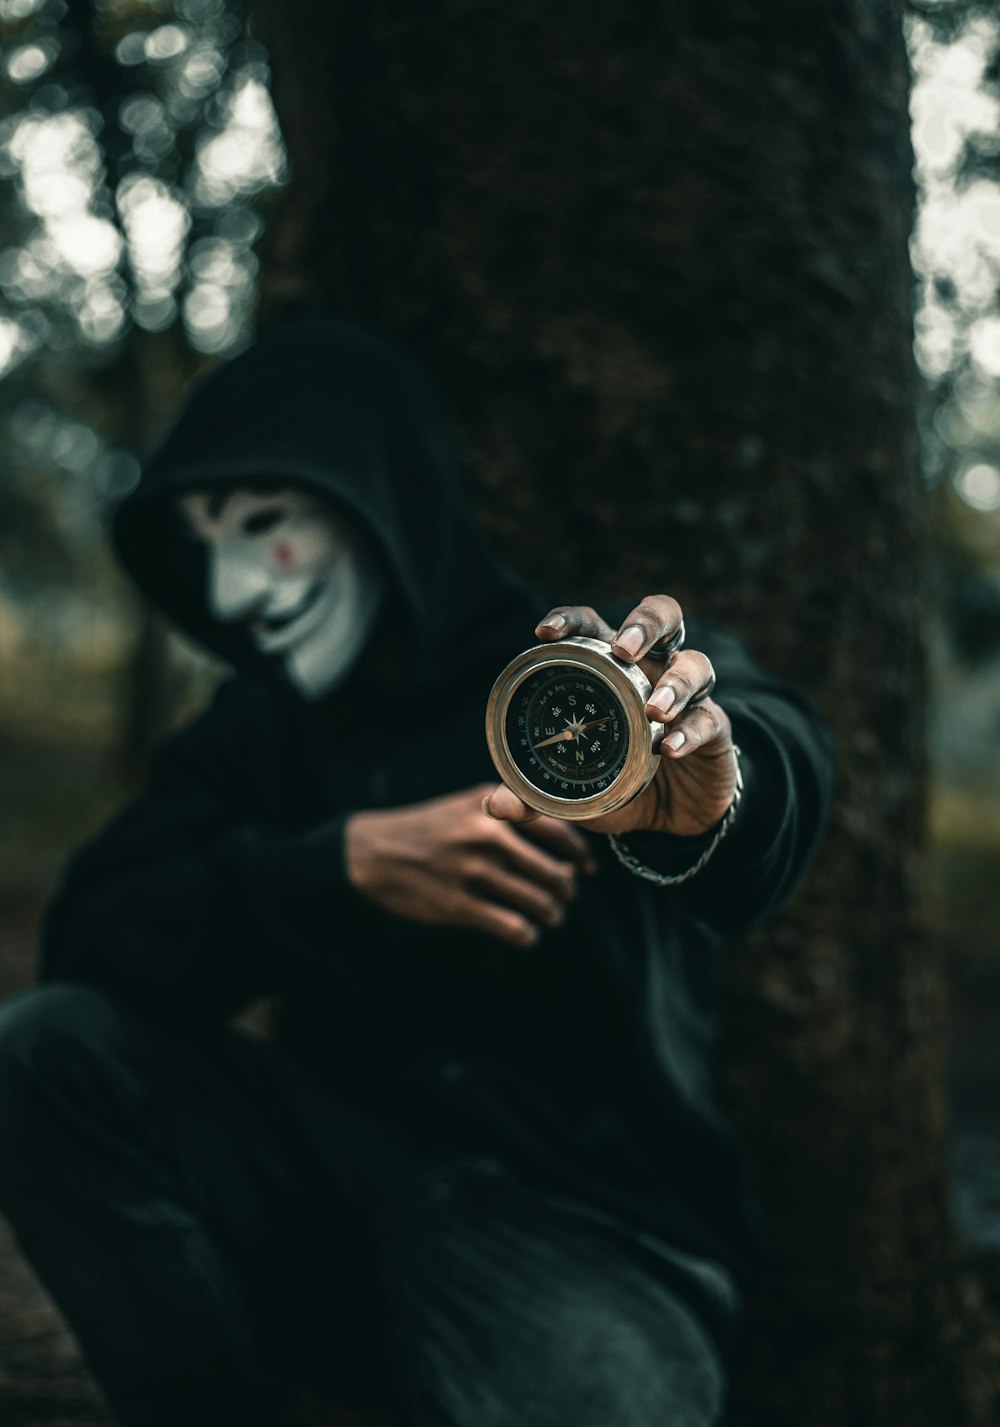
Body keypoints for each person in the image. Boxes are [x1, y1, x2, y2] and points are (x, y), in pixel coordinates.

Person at [0, 316, 835, 1427]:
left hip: (587, 1238)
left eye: (266, 525)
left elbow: (777, 753)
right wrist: (331, 869)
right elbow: (93, 943)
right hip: (322, 1204)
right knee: (45, 1048)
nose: (236, 584)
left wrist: (704, 799)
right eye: (208, 540)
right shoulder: (259, 728)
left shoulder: (574, 682)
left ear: (381, 495)